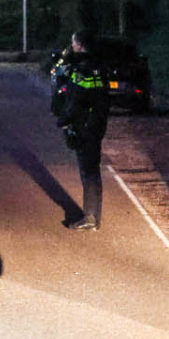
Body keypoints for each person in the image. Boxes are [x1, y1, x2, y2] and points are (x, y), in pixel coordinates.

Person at [50, 29, 108, 230]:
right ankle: (92, 216)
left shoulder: (81, 70)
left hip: (84, 127)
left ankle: (90, 218)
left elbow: (75, 100)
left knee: (89, 172)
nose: (72, 46)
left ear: (80, 45)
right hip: (96, 126)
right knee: (92, 170)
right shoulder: (97, 66)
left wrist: (64, 120)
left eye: (74, 43)